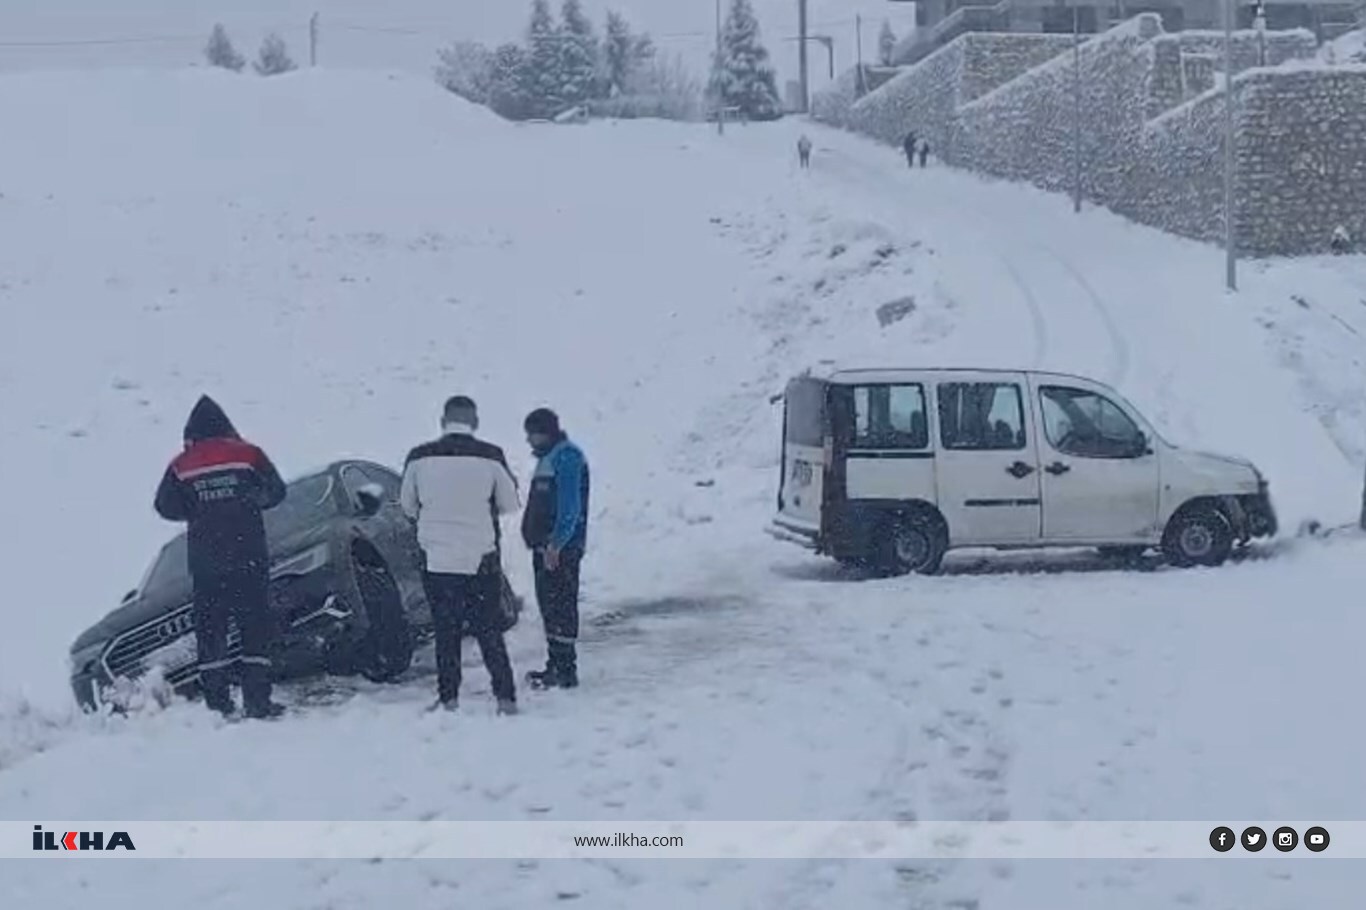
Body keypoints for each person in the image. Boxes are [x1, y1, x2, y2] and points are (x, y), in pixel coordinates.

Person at [154, 395, 287, 719]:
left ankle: (218, 705)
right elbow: (276, 491)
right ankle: (258, 702)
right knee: (254, 628)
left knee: (211, 631)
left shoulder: (181, 465)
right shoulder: (248, 454)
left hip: (207, 562)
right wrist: (246, 502)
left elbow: (164, 506)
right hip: (248, 556)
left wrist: (198, 511)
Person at [401, 395, 520, 715]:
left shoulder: (418, 457)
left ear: (443, 422)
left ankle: (449, 697)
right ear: (475, 423)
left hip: (437, 558)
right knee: (489, 630)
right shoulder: (491, 456)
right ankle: (505, 698)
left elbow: (407, 507)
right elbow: (510, 504)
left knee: (446, 632)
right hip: (481, 556)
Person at [521, 408, 589, 690]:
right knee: (550, 605)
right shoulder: (548, 458)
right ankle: (556, 664)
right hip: (544, 547)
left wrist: (556, 544)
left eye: (532, 434)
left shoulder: (567, 457)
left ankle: (566, 669)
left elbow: (569, 507)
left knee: (561, 605)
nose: (529, 440)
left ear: (545, 431)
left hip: (559, 549)